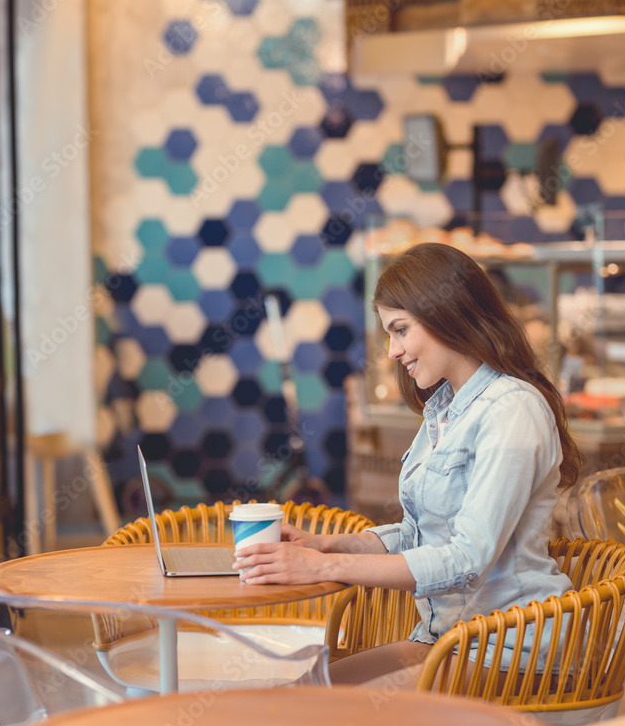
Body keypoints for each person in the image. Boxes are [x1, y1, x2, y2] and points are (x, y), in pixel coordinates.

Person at [234, 242, 583, 688]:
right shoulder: (443, 409)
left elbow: (467, 559)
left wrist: (323, 569)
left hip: (515, 649)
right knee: (301, 692)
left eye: (400, 330)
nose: (392, 351)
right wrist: (323, 546)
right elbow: (418, 535)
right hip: (447, 639)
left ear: (446, 314)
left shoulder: (512, 409)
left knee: (318, 717)